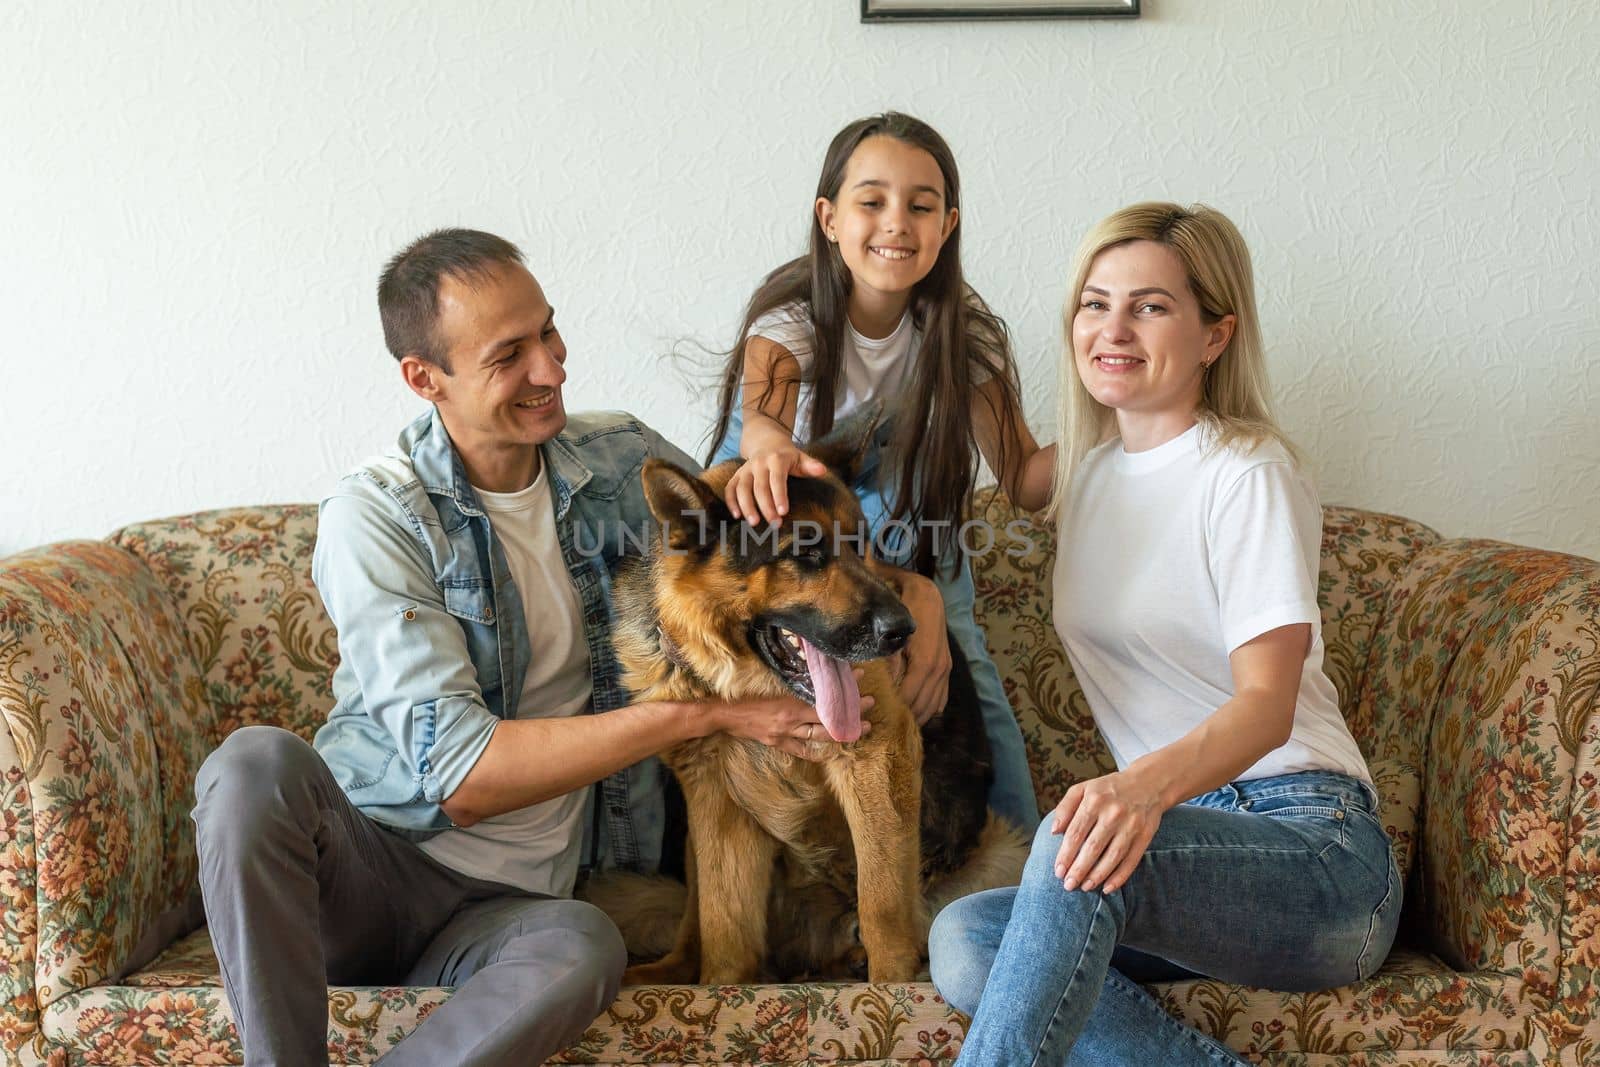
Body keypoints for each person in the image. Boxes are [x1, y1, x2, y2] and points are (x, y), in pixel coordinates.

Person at [190, 229, 843, 1067]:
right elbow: (463, 778)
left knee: (587, 945)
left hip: (517, 908)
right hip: (367, 870)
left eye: (549, 331)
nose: (551, 368)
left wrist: (919, 593)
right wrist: (705, 715)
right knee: (251, 768)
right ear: (426, 379)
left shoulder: (619, 462)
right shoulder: (378, 515)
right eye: (510, 354)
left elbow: (756, 531)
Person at [928, 203, 1401, 1065]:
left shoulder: (1247, 471)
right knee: (965, 937)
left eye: (1149, 306)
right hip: (1179, 856)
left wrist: (1138, 790)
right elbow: (1021, 468)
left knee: (1073, 842)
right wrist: (957, 333)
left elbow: (1266, 706)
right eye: (1093, 302)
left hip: (1313, 850)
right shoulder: (1089, 468)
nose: (1112, 328)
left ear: (1216, 334)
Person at [707, 111, 1052, 832]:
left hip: (903, 521)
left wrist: (1117, 424)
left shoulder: (964, 340)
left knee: (975, 682)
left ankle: (1020, 869)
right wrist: (770, 450)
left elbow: (1024, 480)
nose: (897, 222)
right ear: (829, 219)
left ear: (948, 224)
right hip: (788, 513)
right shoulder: (788, 322)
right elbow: (765, 429)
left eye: (921, 205)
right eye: (872, 201)